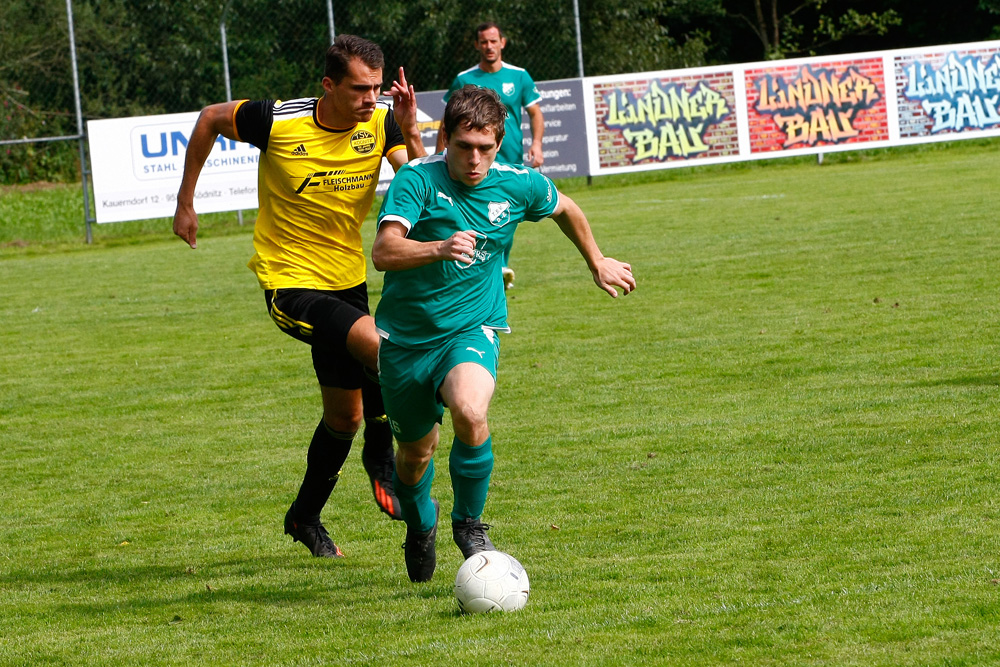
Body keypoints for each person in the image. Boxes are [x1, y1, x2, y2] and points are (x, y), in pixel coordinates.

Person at [172, 34, 426, 558]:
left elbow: (420, 180)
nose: (370, 100)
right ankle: (381, 460)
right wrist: (185, 201)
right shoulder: (278, 120)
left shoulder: (381, 123)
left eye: (377, 89)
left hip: (347, 279)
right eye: (359, 89)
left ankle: (303, 516)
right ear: (328, 85)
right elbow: (208, 119)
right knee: (380, 347)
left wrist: (411, 127)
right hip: (289, 283)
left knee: (345, 416)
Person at [372, 85, 635, 582]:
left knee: (471, 411)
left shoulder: (517, 183)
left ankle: (469, 524)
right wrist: (438, 248)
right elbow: (384, 253)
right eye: (464, 147)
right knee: (414, 455)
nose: (475, 159)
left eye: (485, 149)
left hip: (473, 327)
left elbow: (566, 209)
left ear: (499, 144)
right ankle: (421, 523)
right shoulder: (415, 180)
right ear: (444, 137)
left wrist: (596, 260)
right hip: (405, 340)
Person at [435, 21, 544, 291]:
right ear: (477, 45)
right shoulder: (463, 79)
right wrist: (440, 154)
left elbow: (535, 113)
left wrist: (538, 144)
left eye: (493, 41)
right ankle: (478, 265)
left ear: (502, 43)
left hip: (509, 159)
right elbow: (446, 121)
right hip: (472, 163)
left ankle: (499, 264)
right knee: (469, 209)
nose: (489, 46)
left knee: (505, 214)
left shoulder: (519, 76)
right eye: (483, 42)